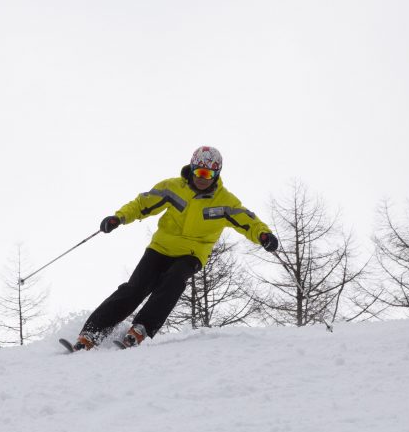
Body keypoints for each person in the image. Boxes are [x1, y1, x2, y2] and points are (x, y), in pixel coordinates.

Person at [72, 146, 279, 350]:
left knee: (174, 279)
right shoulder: (173, 188)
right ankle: (91, 333)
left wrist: (263, 235)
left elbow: (248, 221)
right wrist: (119, 217)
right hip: (160, 248)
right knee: (134, 289)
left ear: (216, 174)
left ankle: (141, 328)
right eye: (198, 171)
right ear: (192, 168)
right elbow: (142, 203)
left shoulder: (225, 202)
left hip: (192, 254)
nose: (201, 178)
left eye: (207, 174)